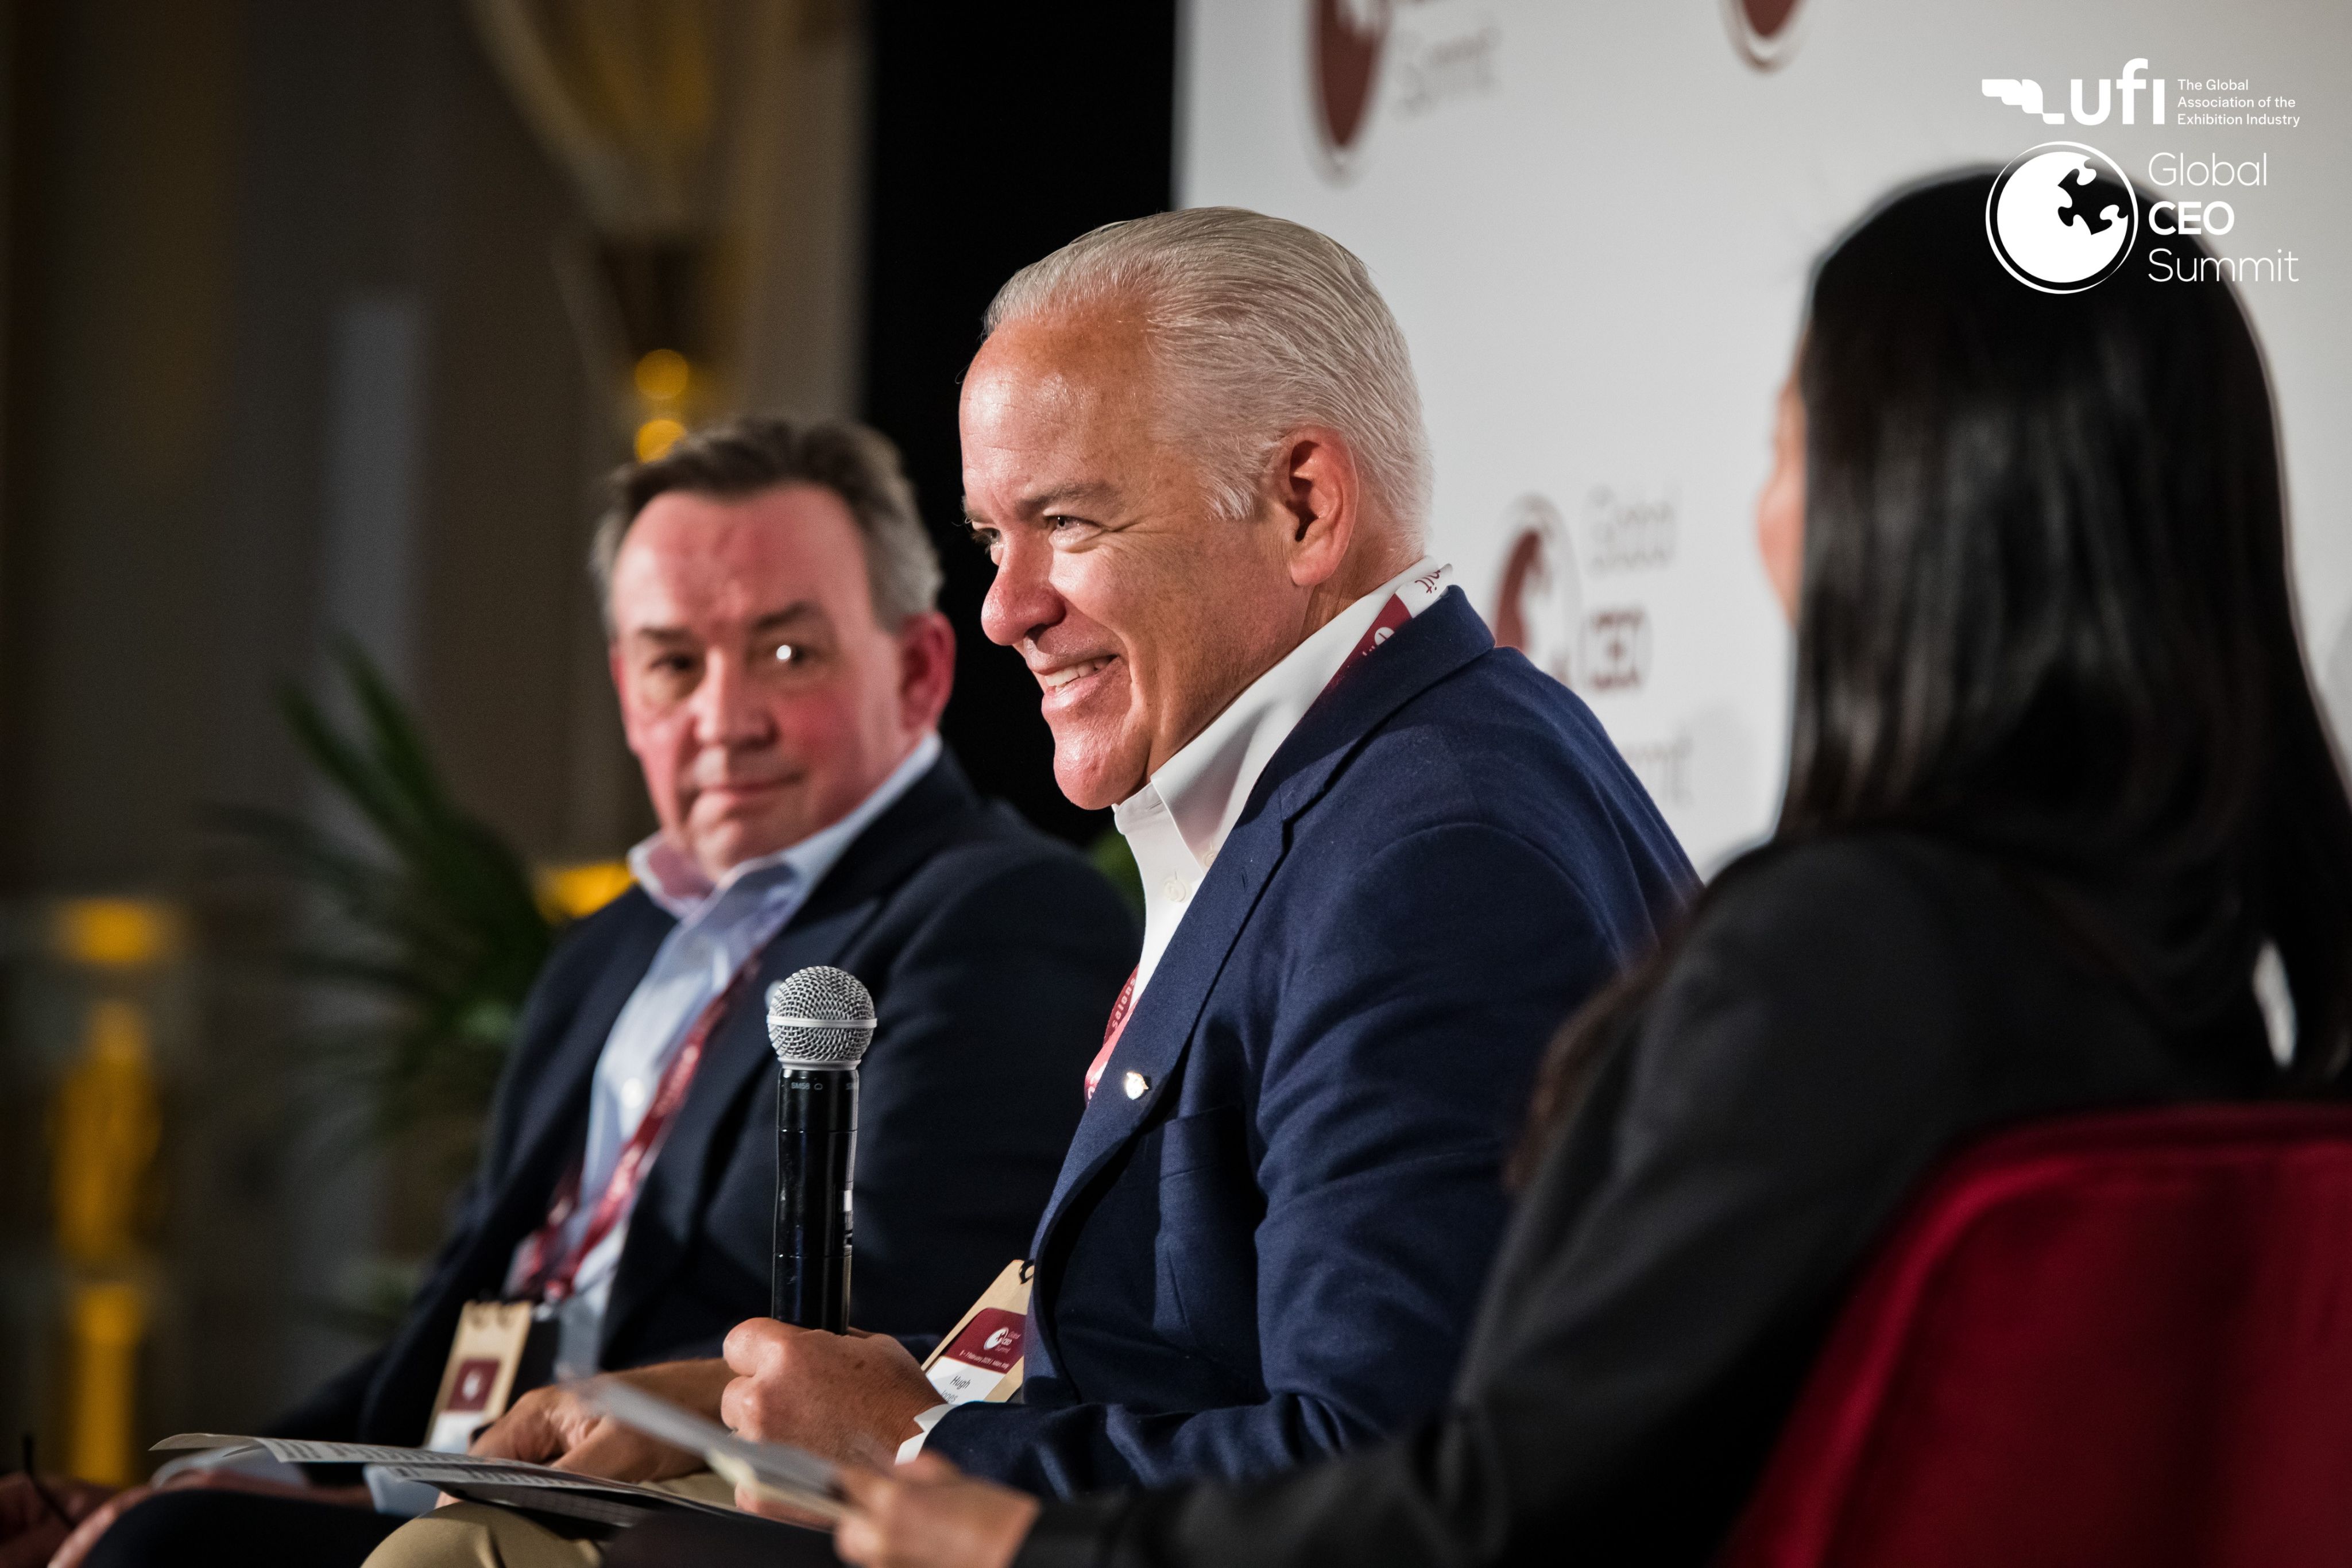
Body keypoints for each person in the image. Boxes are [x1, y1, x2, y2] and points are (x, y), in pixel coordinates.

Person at [800, 172, 2352, 1567]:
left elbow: (1489, 1500)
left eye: (1791, 438)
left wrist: (988, 1511)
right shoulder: (2215, 963)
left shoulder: (1792, 940)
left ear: (1892, 518)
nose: (1008, 606)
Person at [422, 206, 1691, 1561]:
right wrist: (742, 1409)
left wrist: (916, 1445)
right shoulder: (1365, 783)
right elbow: (1173, 1359)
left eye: (1066, 523)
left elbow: (1378, 1474)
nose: (1003, 606)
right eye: (988, 539)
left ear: (1304, 505)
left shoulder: (1429, 861)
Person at [21, 416, 1139, 1568]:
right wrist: (233, 1475)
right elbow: (459, 1317)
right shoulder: (604, 950)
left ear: (916, 671)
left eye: (786, 653)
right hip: (453, 1486)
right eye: (673, 663)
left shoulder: (1002, 914)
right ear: (624, 687)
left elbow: (904, 1341)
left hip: (684, 1513)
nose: (722, 716)